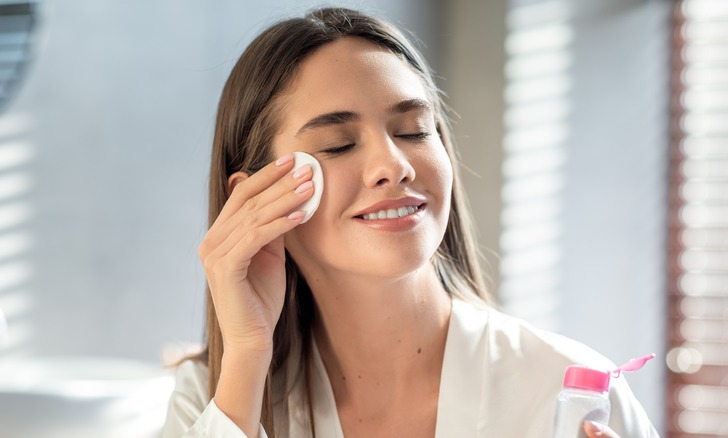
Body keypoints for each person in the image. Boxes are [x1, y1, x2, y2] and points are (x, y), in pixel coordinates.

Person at [162, 7, 659, 438]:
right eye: (338, 145)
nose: (394, 164)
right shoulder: (211, 396)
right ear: (255, 200)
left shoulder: (571, 391)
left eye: (413, 131)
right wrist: (247, 355)